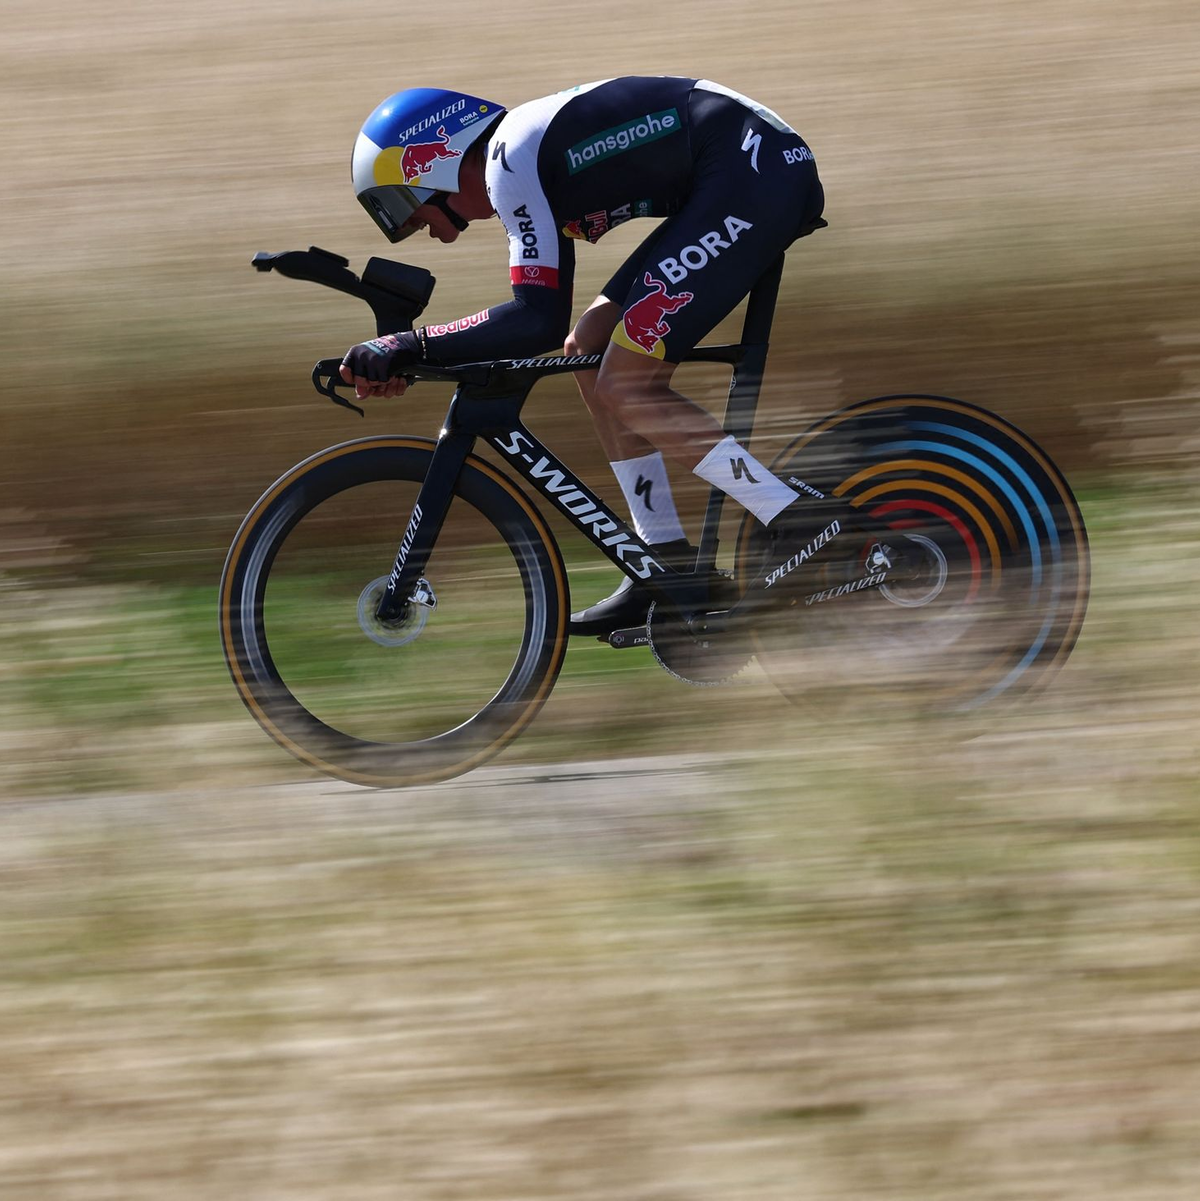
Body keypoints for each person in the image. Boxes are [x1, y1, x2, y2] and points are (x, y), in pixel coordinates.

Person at [342, 77, 827, 636]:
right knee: (588, 351)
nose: (424, 230)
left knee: (626, 384)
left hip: (753, 172)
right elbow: (548, 323)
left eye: (405, 205)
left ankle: (793, 518)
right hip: (739, 171)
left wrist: (408, 345)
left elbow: (534, 321)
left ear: (437, 157)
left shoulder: (508, 161)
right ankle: (662, 561)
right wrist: (412, 351)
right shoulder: (521, 158)